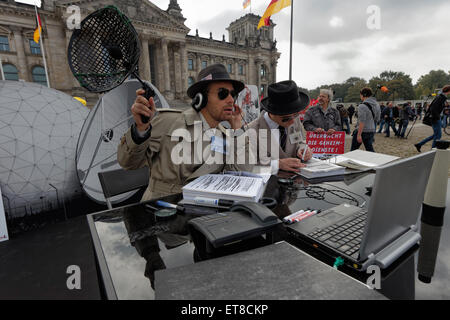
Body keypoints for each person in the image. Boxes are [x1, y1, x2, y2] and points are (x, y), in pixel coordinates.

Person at [117, 64, 253, 200]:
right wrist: (140, 130)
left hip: (202, 210)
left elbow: (241, 173)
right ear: (201, 98)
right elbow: (128, 162)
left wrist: (237, 128)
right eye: (222, 94)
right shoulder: (168, 122)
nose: (230, 100)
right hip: (161, 209)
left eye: (233, 95)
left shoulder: (225, 136)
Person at [248, 80, 313, 174]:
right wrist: (277, 164)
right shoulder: (251, 130)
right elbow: (246, 167)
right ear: (272, 112)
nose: (292, 121)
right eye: (285, 118)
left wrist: (303, 149)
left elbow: (298, 141)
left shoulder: (295, 120)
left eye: (296, 115)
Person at [414, 85, 450, 152]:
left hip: (435, 118)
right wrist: (437, 117)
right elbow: (433, 108)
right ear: (448, 91)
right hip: (435, 118)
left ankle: (419, 144)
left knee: (436, 135)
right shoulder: (440, 97)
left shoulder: (441, 97)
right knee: (438, 135)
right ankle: (433, 150)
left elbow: (436, 108)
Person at [350, 87, 381, 152]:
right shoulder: (377, 105)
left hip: (362, 131)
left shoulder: (362, 106)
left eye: (360, 94)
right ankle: (374, 161)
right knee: (370, 150)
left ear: (363, 95)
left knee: (353, 151)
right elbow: (377, 119)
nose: (360, 96)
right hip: (371, 130)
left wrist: (359, 135)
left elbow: (362, 121)